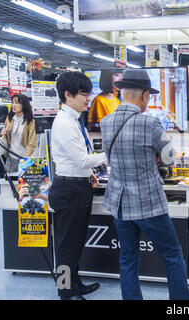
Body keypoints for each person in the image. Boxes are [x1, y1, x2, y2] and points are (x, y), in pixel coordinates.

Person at [100, 69, 189, 301]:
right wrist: (156, 155)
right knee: (171, 254)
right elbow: (170, 157)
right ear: (143, 95)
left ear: (122, 93)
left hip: (119, 201)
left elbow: (112, 156)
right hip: (147, 201)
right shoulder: (149, 123)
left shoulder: (106, 122)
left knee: (127, 257)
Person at [48, 71, 107, 300]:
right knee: (66, 246)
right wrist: (107, 155)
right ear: (67, 94)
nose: (88, 98)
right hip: (68, 189)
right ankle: (65, 290)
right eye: (84, 94)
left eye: (89, 93)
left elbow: (80, 158)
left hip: (78, 186)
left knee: (75, 242)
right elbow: (82, 159)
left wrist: (89, 172)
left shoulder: (75, 119)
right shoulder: (64, 123)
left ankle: (75, 283)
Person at [0, 94, 37, 173]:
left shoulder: (31, 121)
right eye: (12, 102)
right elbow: (5, 137)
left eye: (17, 103)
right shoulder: (9, 118)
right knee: (8, 183)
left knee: (25, 184)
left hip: (25, 158)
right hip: (11, 157)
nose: (13, 105)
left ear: (23, 105)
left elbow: (32, 143)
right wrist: (4, 133)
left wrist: (26, 160)